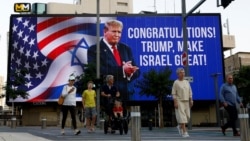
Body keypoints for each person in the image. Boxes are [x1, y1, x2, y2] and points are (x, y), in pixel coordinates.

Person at [88, 19, 140, 102]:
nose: (117, 35)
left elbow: (137, 71)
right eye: (114, 31)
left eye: (119, 32)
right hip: (108, 96)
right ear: (105, 32)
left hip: (128, 95)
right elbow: (99, 70)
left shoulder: (126, 48)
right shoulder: (94, 49)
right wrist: (122, 70)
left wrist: (130, 72)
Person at [171, 67, 193, 138]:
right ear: (178, 74)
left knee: (188, 117)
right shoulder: (176, 82)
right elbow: (174, 93)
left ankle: (180, 126)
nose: (183, 74)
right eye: (181, 72)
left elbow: (190, 91)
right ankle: (184, 132)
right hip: (179, 101)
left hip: (186, 101)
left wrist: (191, 100)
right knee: (182, 117)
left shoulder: (186, 82)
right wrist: (175, 102)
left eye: (183, 72)